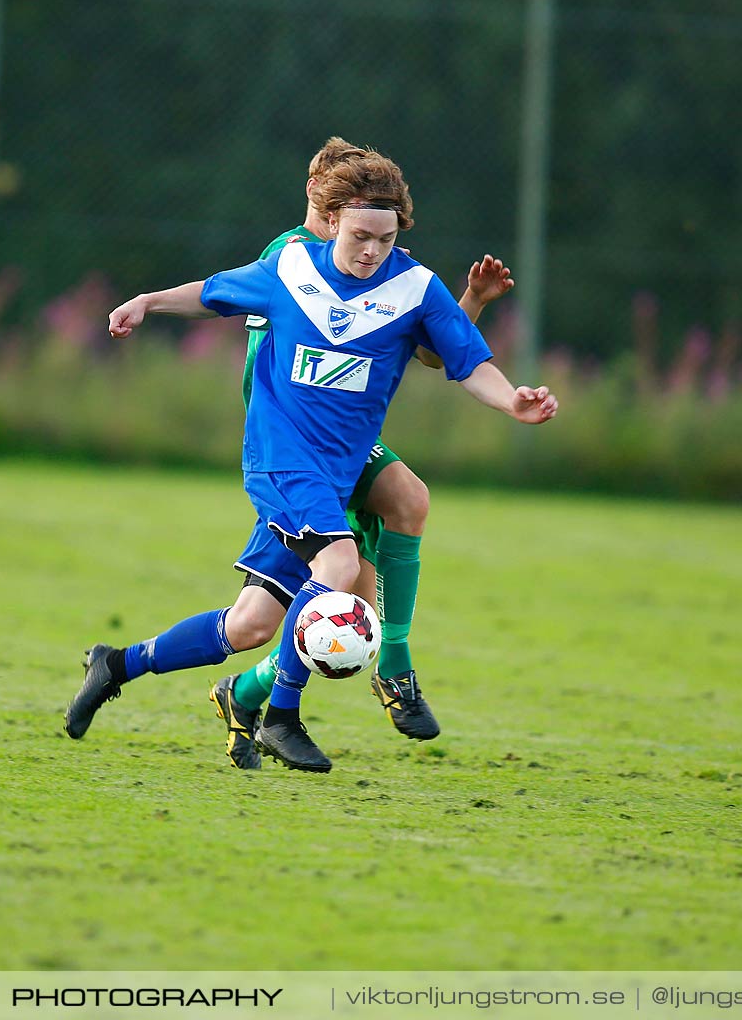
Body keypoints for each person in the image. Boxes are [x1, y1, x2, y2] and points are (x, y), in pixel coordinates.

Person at [64, 151, 558, 773]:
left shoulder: (416, 288)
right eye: (360, 236)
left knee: (250, 628)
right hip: (279, 460)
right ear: (330, 218)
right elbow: (214, 292)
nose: (372, 250)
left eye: (386, 237)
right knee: (342, 562)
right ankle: (282, 715)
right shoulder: (290, 268)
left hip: (338, 471)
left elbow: (465, 362)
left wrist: (513, 401)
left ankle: (117, 664)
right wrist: (147, 301)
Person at [210, 137, 514, 770]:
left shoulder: (382, 264)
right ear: (321, 206)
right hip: (293, 444)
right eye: (338, 215)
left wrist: (473, 303)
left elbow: (432, 351)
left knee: (406, 502)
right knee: (342, 600)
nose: (359, 238)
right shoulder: (290, 258)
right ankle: (257, 692)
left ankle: (391, 671)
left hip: (344, 441)